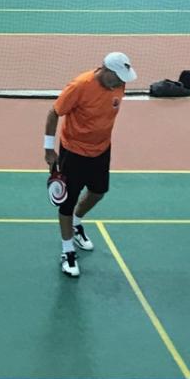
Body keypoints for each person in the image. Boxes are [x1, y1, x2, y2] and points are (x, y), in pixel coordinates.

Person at [43, 51, 137, 280]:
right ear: (105, 70)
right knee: (67, 203)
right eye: (118, 77)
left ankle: (76, 223)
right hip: (73, 152)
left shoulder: (119, 84)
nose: (121, 82)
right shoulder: (80, 86)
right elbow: (54, 113)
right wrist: (48, 150)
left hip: (102, 149)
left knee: (98, 192)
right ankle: (67, 252)